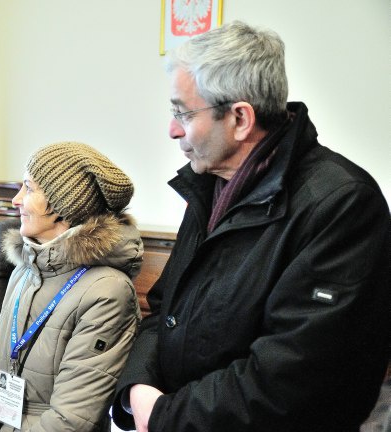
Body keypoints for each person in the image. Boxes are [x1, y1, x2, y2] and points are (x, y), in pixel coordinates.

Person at [112, 21, 390, 432]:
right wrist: (136, 388)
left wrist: (168, 417)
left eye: (183, 113)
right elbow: (163, 311)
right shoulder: (211, 186)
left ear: (240, 118)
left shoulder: (342, 204)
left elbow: (292, 379)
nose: (172, 129)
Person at [0, 142, 143, 431]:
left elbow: (71, 419)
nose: (16, 200)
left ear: (62, 205)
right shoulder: (24, 271)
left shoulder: (108, 292)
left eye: (29, 189)